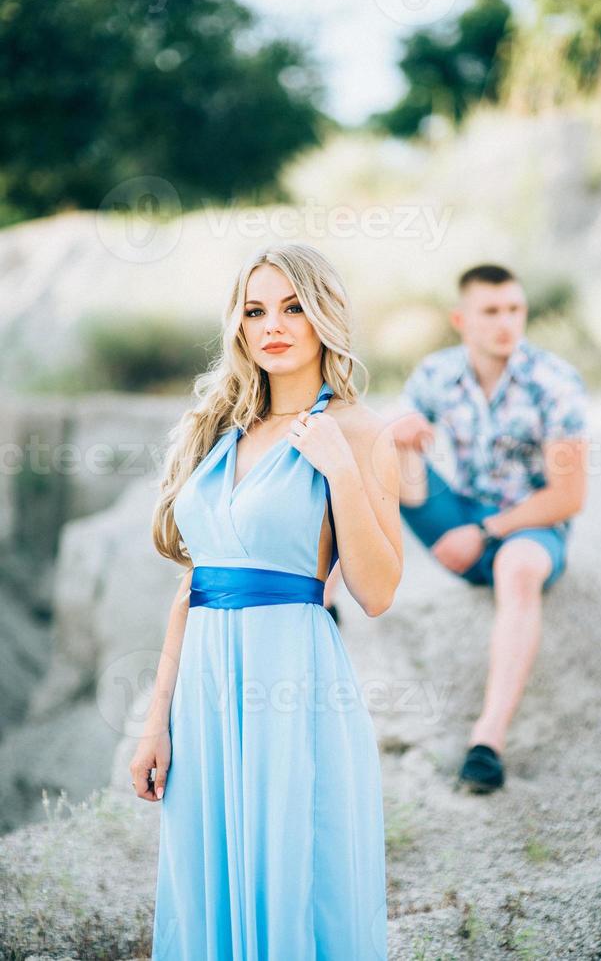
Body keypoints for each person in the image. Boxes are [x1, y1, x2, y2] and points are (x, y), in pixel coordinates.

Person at [129, 242, 402, 959]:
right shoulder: (219, 430)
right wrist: (156, 722)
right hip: (206, 695)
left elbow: (377, 591)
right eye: (255, 310)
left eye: (292, 307)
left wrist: (342, 471)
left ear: (324, 318)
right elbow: (193, 586)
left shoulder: (363, 432)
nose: (272, 324)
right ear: (239, 326)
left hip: (293, 685)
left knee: (294, 877)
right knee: (206, 887)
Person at [325, 263, 588, 793]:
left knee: (517, 569)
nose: (505, 323)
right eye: (491, 311)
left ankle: (486, 743)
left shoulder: (554, 382)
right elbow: (384, 433)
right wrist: (401, 429)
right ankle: (325, 596)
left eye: (514, 310)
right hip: (459, 514)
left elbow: (568, 496)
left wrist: (484, 533)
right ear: (462, 319)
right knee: (379, 451)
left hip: (530, 530)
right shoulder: (438, 373)